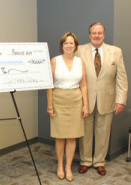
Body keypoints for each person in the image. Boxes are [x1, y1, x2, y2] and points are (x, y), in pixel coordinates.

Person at [76, 22, 128, 176]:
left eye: (99, 33)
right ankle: (85, 161)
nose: (96, 35)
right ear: (89, 34)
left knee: (103, 132)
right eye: (93, 33)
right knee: (84, 132)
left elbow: (121, 78)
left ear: (104, 34)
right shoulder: (79, 51)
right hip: (85, 100)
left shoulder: (116, 51)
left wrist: (121, 100)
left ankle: (99, 161)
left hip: (107, 100)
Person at [47, 32, 88, 182]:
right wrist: (50, 105)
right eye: (66, 43)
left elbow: (83, 85)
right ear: (62, 45)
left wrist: (86, 105)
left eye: (71, 43)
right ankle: (60, 166)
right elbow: (49, 85)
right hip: (58, 100)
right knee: (60, 136)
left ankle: (68, 166)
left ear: (75, 45)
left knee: (72, 136)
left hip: (76, 101)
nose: (69, 46)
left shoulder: (80, 61)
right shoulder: (54, 61)